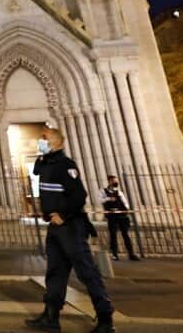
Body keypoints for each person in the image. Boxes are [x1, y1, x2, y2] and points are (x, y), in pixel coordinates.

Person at [25, 125, 115, 333]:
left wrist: (62, 215)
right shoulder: (46, 164)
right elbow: (38, 171)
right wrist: (41, 155)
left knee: (87, 272)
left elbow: (79, 195)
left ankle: (105, 318)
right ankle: (51, 316)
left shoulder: (66, 165)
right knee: (55, 272)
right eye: (40, 139)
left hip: (71, 226)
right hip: (55, 228)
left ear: (58, 143)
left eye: (45, 138)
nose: (41, 141)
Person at [101, 175, 139, 262]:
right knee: (113, 235)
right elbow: (100, 200)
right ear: (109, 181)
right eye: (114, 181)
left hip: (121, 216)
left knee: (125, 234)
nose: (115, 182)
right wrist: (108, 198)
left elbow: (125, 202)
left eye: (116, 181)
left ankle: (131, 253)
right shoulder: (103, 191)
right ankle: (115, 254)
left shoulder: (119, 192)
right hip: (112, 216)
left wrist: (126, 209)